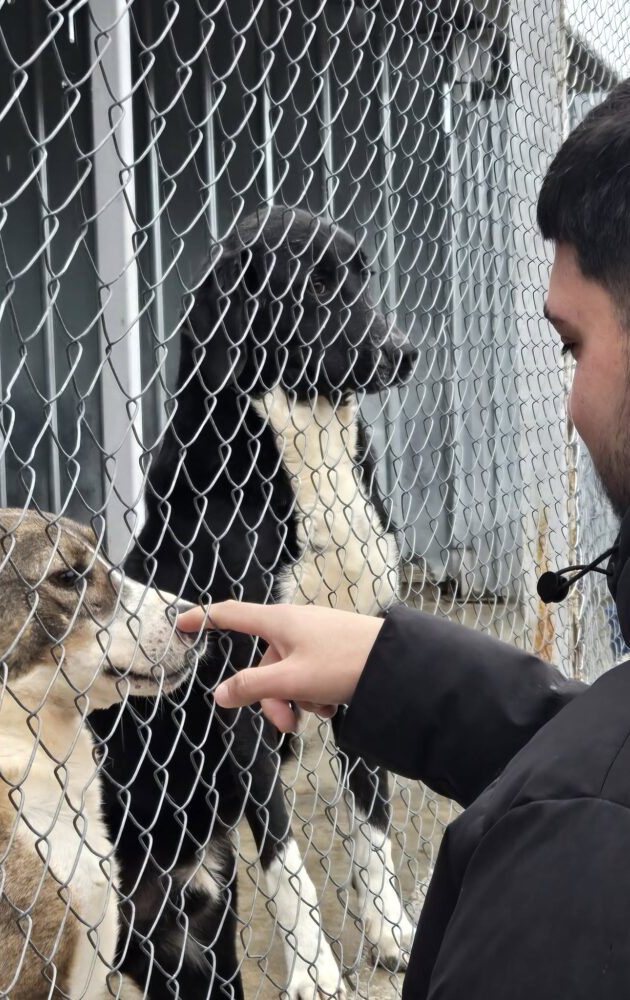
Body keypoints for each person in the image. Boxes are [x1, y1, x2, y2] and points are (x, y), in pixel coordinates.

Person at [178, 80, 630, 999]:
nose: (570, 404)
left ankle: (371, 885)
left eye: (570, 347)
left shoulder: (578, 870)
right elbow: (593, 745)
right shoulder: (217, 487)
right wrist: (400, 667)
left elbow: (596, 782)